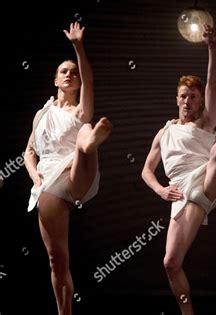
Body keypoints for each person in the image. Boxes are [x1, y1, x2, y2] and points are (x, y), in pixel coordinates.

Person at [141, 24, 216, 315]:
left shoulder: (205, 122)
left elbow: (213, 85)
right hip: (182, 191)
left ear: (199, 102)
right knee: (170, 263)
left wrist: (212, 48)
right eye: (184, 96)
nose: (188, 101)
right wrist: (160, 189)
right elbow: (146, 170)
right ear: (177, 98)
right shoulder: (164, 132)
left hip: (207, 178)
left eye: (193, 97)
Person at [24, 22, 112, 315]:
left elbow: (89, 80)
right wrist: (34, 173)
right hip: (49, 181)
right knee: (56, 259)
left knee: (86, 127)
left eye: (74, 72)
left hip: (77, 172)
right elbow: (28, 152)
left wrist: (78, 46)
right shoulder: (42, 114)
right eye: (65, 71)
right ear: (55, 80)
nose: (70, 74)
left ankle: (87, 145)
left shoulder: (78, 110)